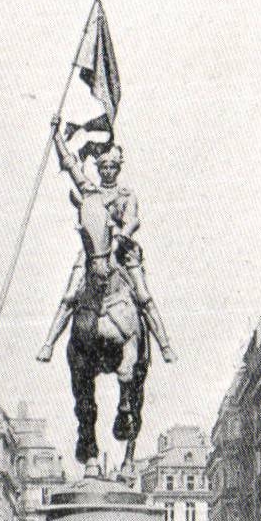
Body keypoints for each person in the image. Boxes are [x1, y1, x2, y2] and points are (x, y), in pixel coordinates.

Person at [37, 118, 175, 364]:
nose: (108, 171)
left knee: (143, 296)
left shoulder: (126, 194)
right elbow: (70, 165)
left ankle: (164, 344)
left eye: (112, 167)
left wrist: (123, 234)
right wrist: (56, 135)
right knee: (70, 295)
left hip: (122, 251)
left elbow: (133, 219)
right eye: (103, 167)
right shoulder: (90, 191)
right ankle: (48, 342)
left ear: (118, 169)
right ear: (99, 169)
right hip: (93, 253)